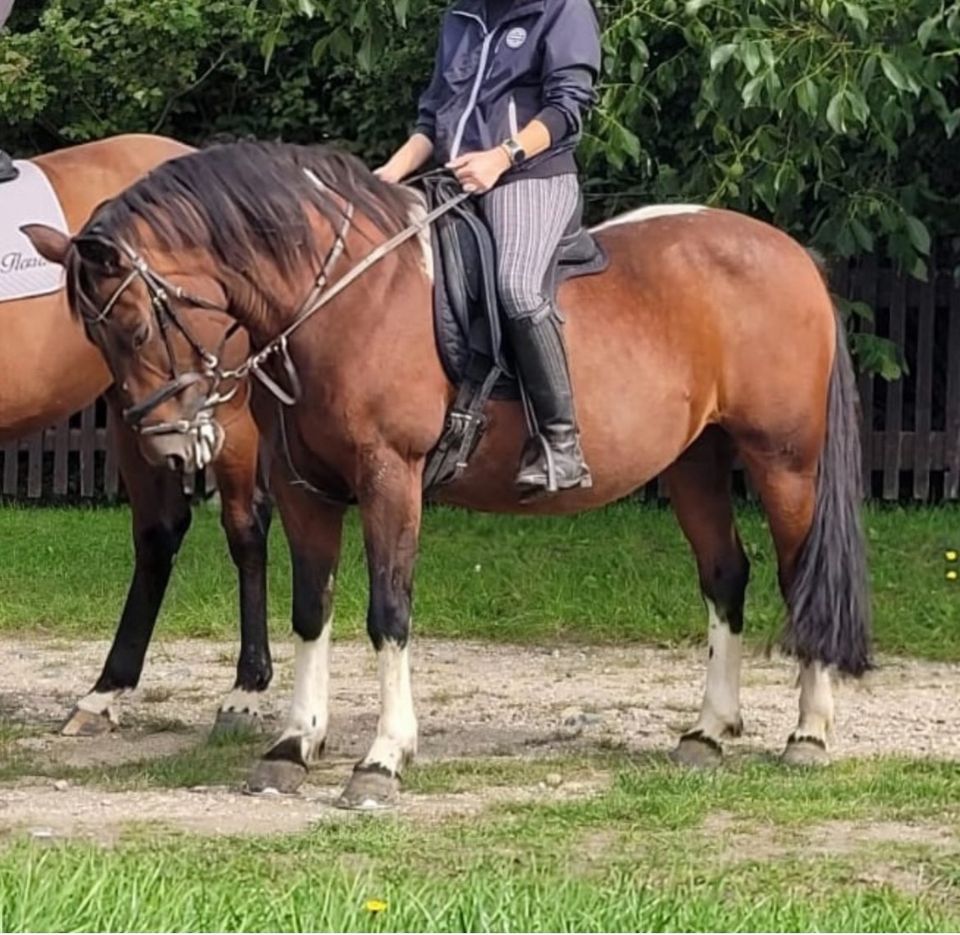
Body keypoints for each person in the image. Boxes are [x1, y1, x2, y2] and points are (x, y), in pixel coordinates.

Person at [376, 0, 601, 494]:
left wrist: (502, 157)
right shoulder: (462, 17)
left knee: (517, 287)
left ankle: (561, 444)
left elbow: (567, 108)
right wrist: (387, 177)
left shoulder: (562, 9)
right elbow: (432, 118)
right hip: (453, 181)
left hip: (529, 176)